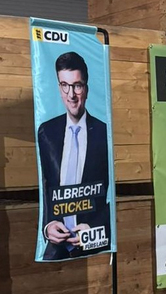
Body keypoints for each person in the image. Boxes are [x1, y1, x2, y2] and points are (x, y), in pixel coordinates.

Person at [37, 51, 110, 260]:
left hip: (94, 246)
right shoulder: (46, 131)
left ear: (86, 89)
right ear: (59, 87)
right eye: (64, 85)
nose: (71, 95)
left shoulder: (105, 133)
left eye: (77, 85)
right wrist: (48, 225)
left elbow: (116, 193)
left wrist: (95, 227)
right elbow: (45, 186)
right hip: (55, 249)